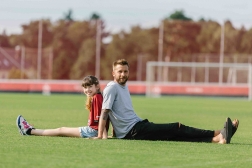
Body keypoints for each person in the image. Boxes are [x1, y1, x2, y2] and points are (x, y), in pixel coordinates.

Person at [93, 59, 239, 144]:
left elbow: (117, 112)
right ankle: (218, 132)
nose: (123, 74)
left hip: (136, 126)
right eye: (120, 71)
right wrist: (101, 135)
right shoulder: (112, 87)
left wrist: (115, 132)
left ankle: (218, 139)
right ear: (113, 73)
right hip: (134, 131)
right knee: (177, 127)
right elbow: (105, 112)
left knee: (174, 135)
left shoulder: (123, 86)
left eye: (125, 71)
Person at [16, 75, 109, 139]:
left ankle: (29, 131)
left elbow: (102, 118)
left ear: (97, 87)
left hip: (92, 131)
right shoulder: (96, 97)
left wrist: (102, 137)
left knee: (61, 130)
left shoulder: (97, 97)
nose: (87, 90)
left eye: (90, 87)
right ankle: (30, 130)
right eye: (85, 87)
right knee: (61, 130)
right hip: (93, 130)